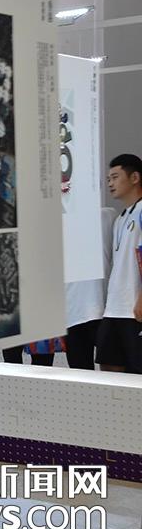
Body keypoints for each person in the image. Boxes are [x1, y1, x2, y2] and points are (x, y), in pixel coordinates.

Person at [97, 154, 142, 373]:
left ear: (135, 178)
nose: (110, 183)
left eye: (115, 177)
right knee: (108, 369)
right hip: (113, 309)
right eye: (108, 179)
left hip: (134, 310)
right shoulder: (120, 218)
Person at [64, 207, 117, 370]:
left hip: (103, 308)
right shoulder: (57, 221)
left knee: (112, 370)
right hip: (71, 312)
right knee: (80, 373)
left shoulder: (107, 215)